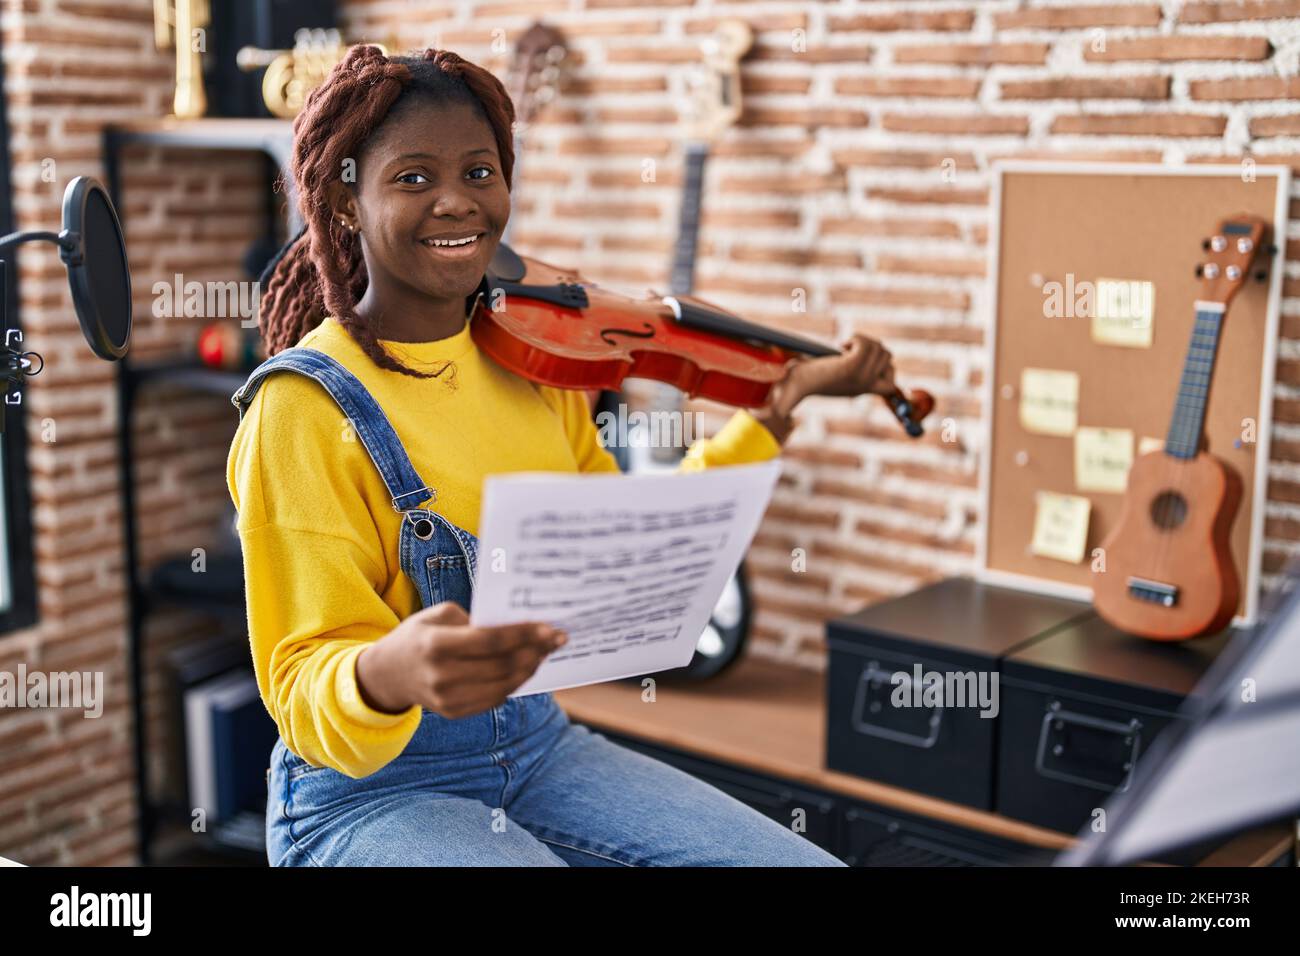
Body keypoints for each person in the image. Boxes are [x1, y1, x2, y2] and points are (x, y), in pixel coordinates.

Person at [227, 46, 897, 866]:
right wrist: (387, 673)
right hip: (368, 792)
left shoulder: (535, 369)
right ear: (343, 202)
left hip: (540, 749)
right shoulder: (300, 407)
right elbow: (300, 683)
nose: (457, 203)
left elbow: (627, 537)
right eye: (412, 178)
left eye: (480, 173)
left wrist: (779, 408)